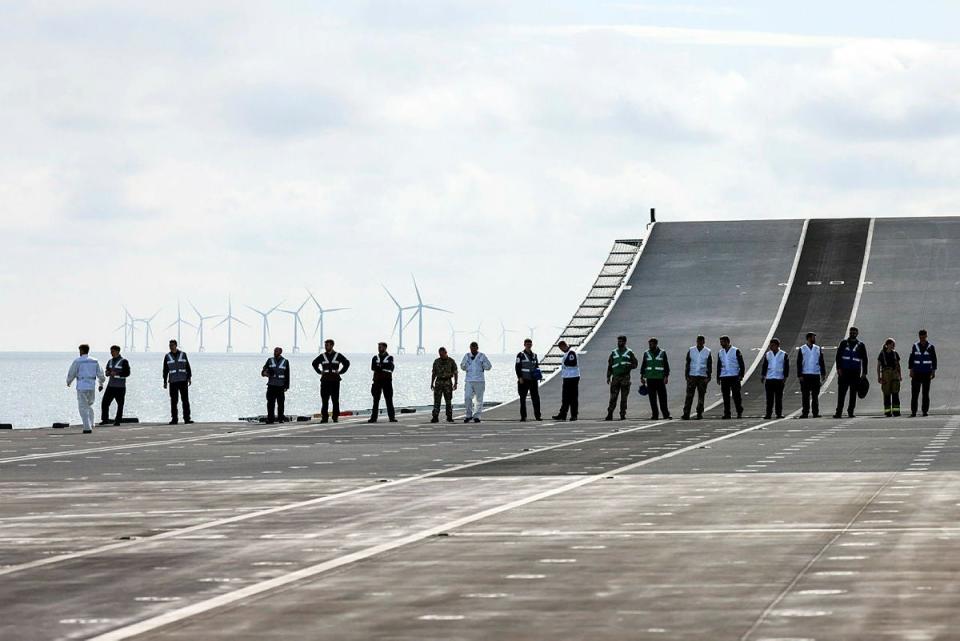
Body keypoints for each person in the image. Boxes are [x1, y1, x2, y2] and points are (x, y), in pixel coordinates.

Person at [66, 344, 105, 434]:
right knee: (89, 405)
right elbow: (100, 374)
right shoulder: (95, 361)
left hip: (82, 386)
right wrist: (101, 383)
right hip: (92, 386)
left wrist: (69, 382)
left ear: (82, 351)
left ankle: (87, 427)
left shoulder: (78, 361)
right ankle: (91, 423)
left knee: (83, 407)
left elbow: (72, 372)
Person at [311, 339, 350, 423]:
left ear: (332, 345)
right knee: (324, 399)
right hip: (325, 380)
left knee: (335, 399)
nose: (326, 347)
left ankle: (335, 416)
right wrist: (319, 371)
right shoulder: (322, 356)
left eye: (327, 345)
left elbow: (347, 363)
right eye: (325, 345)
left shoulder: (338, 355)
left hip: (335, 380)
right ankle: (324, 417)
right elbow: (314, 363)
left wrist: (341, 372)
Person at [834, 327, 868, 419]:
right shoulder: (843, 343)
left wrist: (864, 372)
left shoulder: (861, 345)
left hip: (855, 372)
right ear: (849, 333)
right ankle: (839, 412)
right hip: (844, 372)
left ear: (857, 333)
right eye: (851, 332)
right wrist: (838, 368)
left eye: (854, 332)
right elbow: (838, 357)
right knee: (841, 393)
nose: (852, 333)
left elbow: (865, 359)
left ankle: (851, 411)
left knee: (853, 393)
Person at [606, 335, 639, 421]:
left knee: (624, 398)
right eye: (618, 341)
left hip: (625, 378)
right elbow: (610, 365)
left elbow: (635, 364)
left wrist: (629, 366)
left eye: (621, 341)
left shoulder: (629, 352)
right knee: (613, 397)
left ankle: (622, 414)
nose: (619, 343)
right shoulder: (614, 352)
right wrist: (608, 376)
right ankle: (610, 413)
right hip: (615, 378)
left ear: (625, 342)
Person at [640, 337, 671, 420]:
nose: (650, 345)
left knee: (663, 398)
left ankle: (666, 414)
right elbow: (644, 365)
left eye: (652, 343)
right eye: (649, 343)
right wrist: (642, 377)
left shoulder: (662, 353)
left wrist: (666, 376)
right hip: (650, 379)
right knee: (652, 399)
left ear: (656, 344)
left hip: (660, 379)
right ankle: (655, 415)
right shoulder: (646, 353)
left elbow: (666, 366)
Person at [460, 342, 492, 423]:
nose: (473, 349)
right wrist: (466, 365)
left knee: (479, 399)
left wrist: (483, 364)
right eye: (472, 347)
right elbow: (462, 366)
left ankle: (476, 416)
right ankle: (468, 415)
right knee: (467, 397)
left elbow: (489, 366)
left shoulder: (482, 356)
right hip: (469, 380)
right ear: (470, 348)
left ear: (477, 347)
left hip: (480, 380)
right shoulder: (467, 356)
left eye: (475, 347)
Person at [163, 339, 193, 425]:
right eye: (170, 345)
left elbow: (187, 367)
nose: (171, 347)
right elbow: (165, 370)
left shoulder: (183, 355)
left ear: (176, 345)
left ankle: (187, 418)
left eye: (172, 345)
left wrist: (189, 377)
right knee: (174, 401)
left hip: (183, 380)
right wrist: (165, 381)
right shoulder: (167, 356)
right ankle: (174, 419)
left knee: (185, 400)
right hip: (173, 381)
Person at [682, 335, 712, 420]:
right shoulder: (691, 350)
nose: (699, 343)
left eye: (701, 341)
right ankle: (686, 413)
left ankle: (699, 413)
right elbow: (687, 363)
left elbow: (709, 365)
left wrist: (708, 377)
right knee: (689, 396)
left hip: (702, 376)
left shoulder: (707, 351)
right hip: (692, 376)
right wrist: (687, 375)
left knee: (701, 396)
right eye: (698, 341)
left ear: (704, 342)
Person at [797, 332, 826, 418]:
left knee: (815, 395)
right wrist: (800, 375)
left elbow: (821, 361)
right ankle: (805, 412)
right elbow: (799, 363)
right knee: (805, 395)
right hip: (805, 375)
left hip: (815, 374)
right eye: (813, 337)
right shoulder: (802, 349)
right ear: (809, 338)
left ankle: (815, 412)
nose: (814, 339)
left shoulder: (817, 348)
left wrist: (823, 373)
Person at [909, 329, 937, 417]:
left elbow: (934, 359)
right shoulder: (915, 346)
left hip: (926, 373)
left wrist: (933, 371)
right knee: (915, 393)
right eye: (921, 337)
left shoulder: (930, 347)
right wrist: (911, 370)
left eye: (924, 337)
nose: (922, 339)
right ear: (919, 336)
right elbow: (911, 359)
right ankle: (914, 411)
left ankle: (925, 411)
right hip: (916, 373)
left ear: (926, 336)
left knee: (925, 393)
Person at [100, 345, 130, 426]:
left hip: (120, 387)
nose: (111, 353)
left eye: (112, 351)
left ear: (117, 351)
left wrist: (117, 374)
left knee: (120, 404)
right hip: (111, 386)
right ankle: (105, 419)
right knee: (105, 403)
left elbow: (127, 373)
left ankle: (118, 421)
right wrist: (107, 373)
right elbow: (107, 370)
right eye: (111, 351)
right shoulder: (110, 361)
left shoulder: (124, 361)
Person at [716, 336, 745, 419]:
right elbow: (719, 365)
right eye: (721, 342)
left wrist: (741, 375)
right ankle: (727, 413)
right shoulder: (720, 352)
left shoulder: (736, 351)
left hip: (734, 376)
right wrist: (718, 377)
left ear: (727, 342)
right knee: (725, 396)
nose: (721, 344)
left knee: (736, 395)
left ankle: (739, 411)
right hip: (724, 376)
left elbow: (741, 364)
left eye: (722, 342)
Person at [760, 338, 789, 420]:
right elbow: (765, 366)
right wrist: (763, 375)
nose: (770, 346)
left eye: (772, 345)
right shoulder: (768, 354)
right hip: (769, 379)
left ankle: (779, 413)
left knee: (778, 398)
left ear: (777, 345)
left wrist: (785, 377)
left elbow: (786, 367)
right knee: (769, 399)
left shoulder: (783, 354)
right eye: (770, 345)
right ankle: (768, 414)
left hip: (779, 379)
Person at [552, 340, 580, 421]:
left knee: (573, 398)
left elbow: (573, 362)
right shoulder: (567, 353)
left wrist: (566, 363)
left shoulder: (571, 352)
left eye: (561, 348)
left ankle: (574, 415)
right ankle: (562, 414)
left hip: (572, 377)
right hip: (568, 377)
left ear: (564, 346)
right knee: (565, 397)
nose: (561, 350)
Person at [261, 347, 290, 424]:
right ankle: (270, 419)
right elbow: (263, 371)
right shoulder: (270, 360)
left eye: (276, 351)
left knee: (281, 403)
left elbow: (287, 374)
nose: (275, 352)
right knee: (270, 403)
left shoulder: (285, 361)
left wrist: (287, 386)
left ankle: (281, 418)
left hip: (280, 386)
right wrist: (266, 373)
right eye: (274, 351)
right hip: (271, 385)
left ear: (281, 352)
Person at [369, 342, 396, 423]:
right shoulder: (375, 357)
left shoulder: (390, 357)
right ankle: (373, 418)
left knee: (389, 399)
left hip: (387, 381)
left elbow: (390, 367)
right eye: (378, 347)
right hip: (377, 381)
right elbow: (373, 367)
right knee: (375, 400)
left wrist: (379, 367)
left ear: (385, 348)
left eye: (380, 347)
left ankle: (392, 417)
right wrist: (381, 367)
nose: (379, 348)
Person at [515, 338, 542, 421]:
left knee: (536, 399)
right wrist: (519, 377)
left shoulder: (534, 355)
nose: (528, 345)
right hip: (524, 380)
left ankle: (538, 416)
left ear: (531, 345)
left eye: (530, 344)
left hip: (533, 380)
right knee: (522, 399)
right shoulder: (520, 355)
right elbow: (517, 367)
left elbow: (536, 366)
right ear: (524, 345)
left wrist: (539, 376)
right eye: (527, 344)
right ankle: (523, 417)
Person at [430, 347, 459, 423]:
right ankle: (435, 417)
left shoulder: (451, 361)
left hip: (447, 382)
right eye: (440, 354)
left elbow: (455, 372)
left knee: (448, 401)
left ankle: (449, 416)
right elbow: (434, 373)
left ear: (446, 353)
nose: (441, 356)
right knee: (437, 401)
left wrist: (456, 383)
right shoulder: (436, 361)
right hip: (438, 382)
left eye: (442, 354)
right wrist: (432, 383)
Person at [877, 338, 902, 418]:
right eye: (892, 344)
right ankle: (887, 412)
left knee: (895, 392)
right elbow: (878, 366)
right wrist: (879, 377)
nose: (893, 346)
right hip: (886, 374)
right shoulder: (882, 354)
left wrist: (900, 375)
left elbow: (898, 365)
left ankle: (896, 411)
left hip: (894, 374)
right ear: (888, 345)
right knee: (886, 393)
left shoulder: (895, 354)